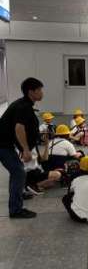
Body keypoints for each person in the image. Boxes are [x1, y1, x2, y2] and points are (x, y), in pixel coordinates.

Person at [0, 77, 43, 218]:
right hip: (3, 145)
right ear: (31, 92)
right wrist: (25, 149)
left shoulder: (24, 105)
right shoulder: (23, 107)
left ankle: (18, 195)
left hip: (7, 144)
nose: (42, 93)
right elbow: (19, 128)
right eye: (39, 90)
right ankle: (16, 210)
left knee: (17, 171)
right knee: (18, 172)